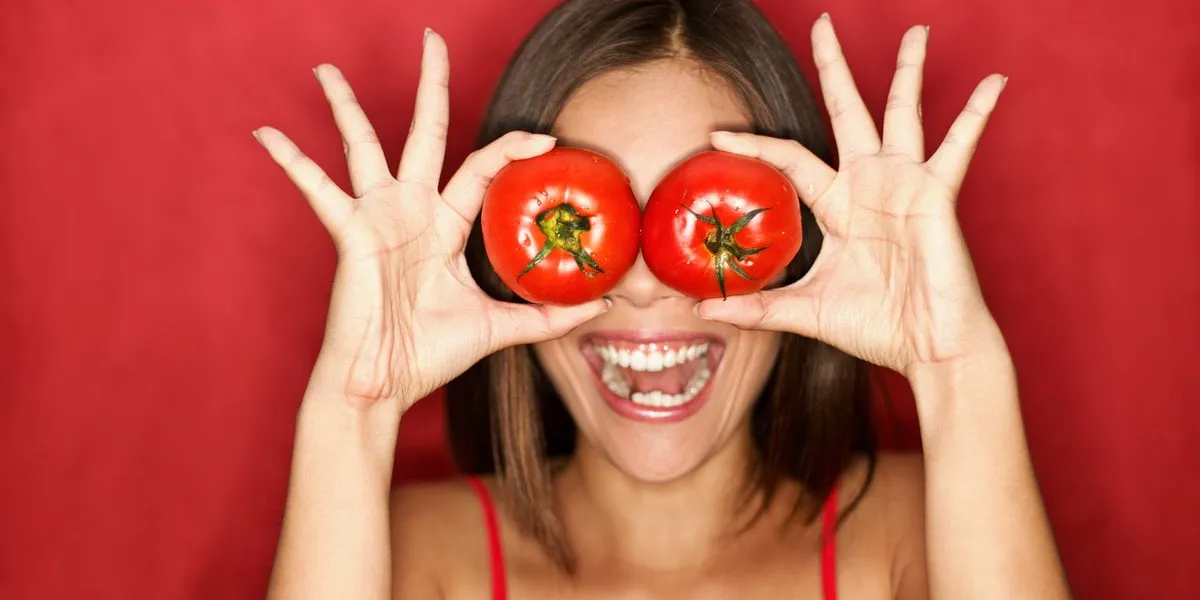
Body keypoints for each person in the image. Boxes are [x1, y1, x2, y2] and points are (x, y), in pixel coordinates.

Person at [254, 0, 1072, 598]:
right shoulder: (413, 553)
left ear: (804, 252)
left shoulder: (915, 531)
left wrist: (957, 373)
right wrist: (352, 414)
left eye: (708, 219)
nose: (643, 286)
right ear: (502, 264)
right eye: (598, 226)